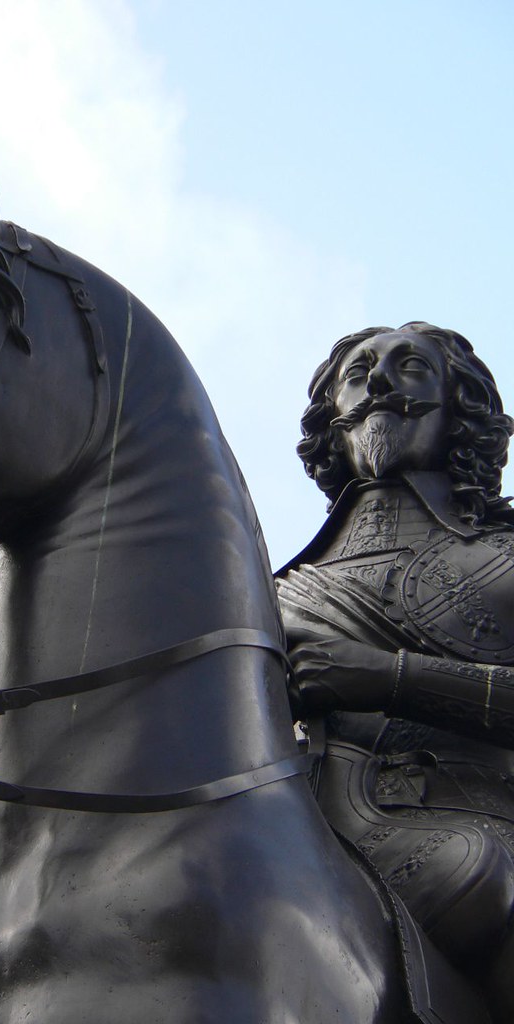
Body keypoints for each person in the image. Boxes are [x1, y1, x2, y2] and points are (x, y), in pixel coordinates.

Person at [278, 321, 514, 1018]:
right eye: (359, 373)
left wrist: (387, 677)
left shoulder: (506, 556)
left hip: (475, 832)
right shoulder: (265, 588)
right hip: (289, 831)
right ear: (333, 419)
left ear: (459, 409)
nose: (378, 383)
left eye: (410, 368)